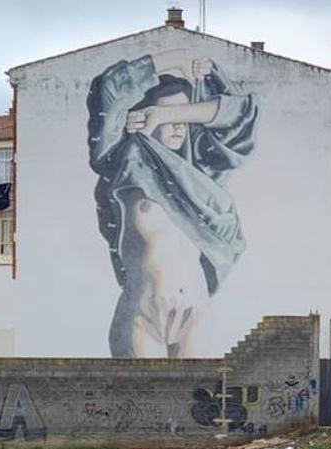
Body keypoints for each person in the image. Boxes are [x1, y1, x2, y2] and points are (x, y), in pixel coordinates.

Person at [87, 50, 258, 357]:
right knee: (145, 390)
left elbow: (242, 114)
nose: (178, 125)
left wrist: (172, 111)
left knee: (203, 390)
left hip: (196, 312)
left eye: (184, 116)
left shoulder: (201, 170)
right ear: (142, 116)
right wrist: (178, 57)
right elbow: (109, 88)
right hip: (144, 314)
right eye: (166, 115)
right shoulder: (125, 160)